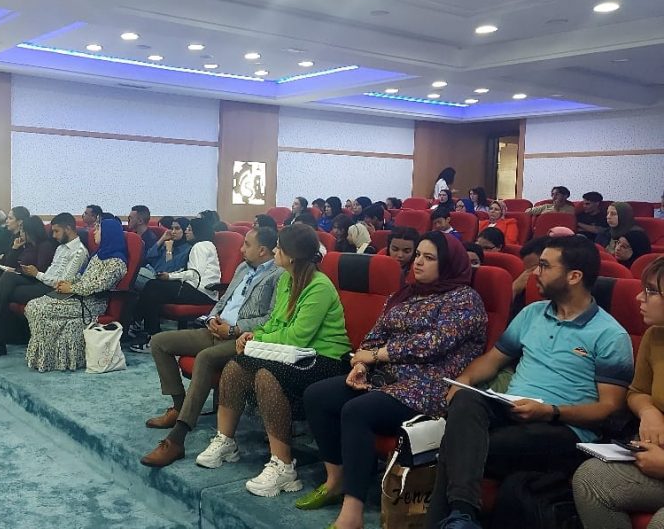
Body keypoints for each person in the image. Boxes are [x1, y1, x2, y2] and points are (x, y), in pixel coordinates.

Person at [429, 235, 634, 529]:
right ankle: (463, 516)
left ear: (574, 276)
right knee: (466, 398)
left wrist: (550, 411)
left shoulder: (610, 335)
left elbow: (609, 409)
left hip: (564, 428)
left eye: (545, 266)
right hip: (513, 409)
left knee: (460, 444)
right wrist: (463, 380)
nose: (535, 272)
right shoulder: (532, 313)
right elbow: (493, 360)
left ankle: (460, 517)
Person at [299, 232, 487, 529]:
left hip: (429, 386)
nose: (418, 262)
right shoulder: (405, 294)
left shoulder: (463, 299)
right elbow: (374, 336)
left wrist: (377, 356)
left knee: (357, 411)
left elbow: (434, 344)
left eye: (429, 257)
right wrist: (361, 365)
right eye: (418, 255)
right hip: (386, 378)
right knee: (317, 395)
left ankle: (352, 512)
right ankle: (336, 480)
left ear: (448, 263)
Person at [193, 224, 352, 498]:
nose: (275, 250)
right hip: (292, 354)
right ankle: (226, 441)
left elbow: (297, 336)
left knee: (267, 375)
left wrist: (258, 340)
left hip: (325, 359)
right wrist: (253, 335)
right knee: (236, 365)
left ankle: (284, 467)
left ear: (291, 256)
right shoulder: (286, 280)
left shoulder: (319, 286)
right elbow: (277, 323)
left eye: (279, 247)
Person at [140, 227, 283, 467]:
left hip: (241, 338)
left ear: (262, 250)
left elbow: (271, 317)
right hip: (215, 329)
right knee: (159, 342)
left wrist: (234, 329)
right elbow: (224, 300)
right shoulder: (242, 268)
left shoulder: (278, 275)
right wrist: (211, 319)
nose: (241, 249)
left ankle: (177, 437)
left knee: (205, 358)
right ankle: (179, 407)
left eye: (246, 245)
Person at [573, 256, 664, 528]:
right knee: (590, 479)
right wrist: (648, 411)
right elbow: (636, 391)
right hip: (656, 451)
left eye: (651, 291)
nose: (639, 297)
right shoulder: (655, 336)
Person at [0, 212, 89, 356]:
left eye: (56, 231)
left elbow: (63, 282)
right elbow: (51, 271)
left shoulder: (79, 252)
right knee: (8, 277)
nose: (54, 236)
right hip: (42, 282)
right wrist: (36, 275)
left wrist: (37, 274)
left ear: (68, 228)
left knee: (5, 293)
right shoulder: (61, 248)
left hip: (55, 291)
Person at [24, 216, 128, 372]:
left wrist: (71, 288)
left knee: (37, 308)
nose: (94, 232)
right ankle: (49, 358)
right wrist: (67, 283)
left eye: (98, 229)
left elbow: (99, 285)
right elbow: (83, 277)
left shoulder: (117, 262)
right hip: (79, 296)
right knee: (33, 305)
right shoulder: (99, 255)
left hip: (92, 303)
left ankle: (50, 359)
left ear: (108, 233)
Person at [130, 218, 221, 353]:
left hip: (201, 292)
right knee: (153, 287)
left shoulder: (200, 246)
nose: (186, 232)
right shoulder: (204, 245)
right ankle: (150, 332)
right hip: (196, 288)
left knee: (153, 288)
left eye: (189, 229)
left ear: (198, 231)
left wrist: (170, 277)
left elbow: (195, 274)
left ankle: (150, 334)